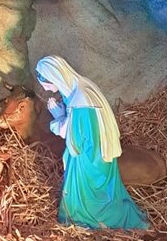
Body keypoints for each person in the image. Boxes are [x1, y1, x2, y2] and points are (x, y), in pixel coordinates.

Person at [35, 56, 148, 230]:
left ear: (56, 76)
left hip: (89, 157)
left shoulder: (80, 100)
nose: (47, 90)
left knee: (89, 193)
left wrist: (57, 117)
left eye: (48, 85)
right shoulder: (80, 88)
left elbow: (74, 137)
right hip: (95, 150)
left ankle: (89, 219)